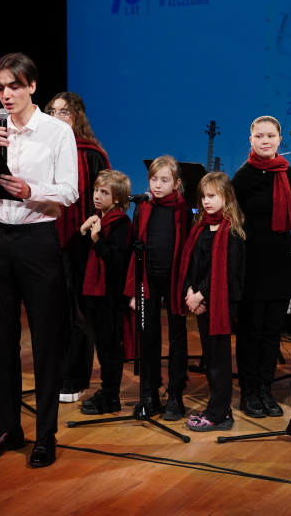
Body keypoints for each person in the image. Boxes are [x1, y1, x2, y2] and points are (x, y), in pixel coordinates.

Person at [0, 52, 77, 468]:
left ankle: (45, 434)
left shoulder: (56, 132)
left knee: (46, 340)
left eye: (14, 86)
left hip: (37, 239)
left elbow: (69, 191)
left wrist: (30, 190)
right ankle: (6, 428)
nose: (6, 94)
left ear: (32, 86)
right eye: (0, 88)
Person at [46, 91, 111, 403]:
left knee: (78, 313)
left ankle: (75, 377)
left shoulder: (90, 153)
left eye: (64, 112)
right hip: (46, 239)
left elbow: (105, 200)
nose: (57, 117)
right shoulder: (43, 150)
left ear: (77, 117)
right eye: (53, 112)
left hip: (81, 243)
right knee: (53, 312)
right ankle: (56, 373)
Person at [232, 115, 291, 419]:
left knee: (272, 332)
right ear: (251, 140)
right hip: (252, 265)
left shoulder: (289, 174)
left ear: (280, 140)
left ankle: (265, 389)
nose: (265, 141)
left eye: (271, 136)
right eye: (259, 136)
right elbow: (234, 225)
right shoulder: (242, 177)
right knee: (251, 332)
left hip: (280, 262)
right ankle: (249, 392)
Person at [125, 155, 192, 421]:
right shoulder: (143, 207)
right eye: (154, 179)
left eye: (164, 180)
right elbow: (135, 250)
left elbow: (187, 249)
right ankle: (150, 391)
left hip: (174, 280)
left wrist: (188, 286)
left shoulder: (183, 209)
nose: (157, 185)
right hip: (148, 280)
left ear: (176, 183)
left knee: (177, 337)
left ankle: (175, 393)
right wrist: (134, 288)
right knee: (148, 335)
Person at [178, 172, 246, 432]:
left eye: (212, 196)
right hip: (201, 301)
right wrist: (189, 291)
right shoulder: (199, 229)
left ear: (226, 197)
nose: (206, 201)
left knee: (218, 360)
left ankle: (220, 414)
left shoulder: (232, 231)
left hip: (220, 304)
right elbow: (188, 264)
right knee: (210, 358)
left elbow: (226, 272)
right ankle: (218, 409)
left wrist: (200, 295)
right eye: (204, 196)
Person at [78, 169, 132, 415]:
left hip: (110, 296)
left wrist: (97, 239)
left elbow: (117, 262)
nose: (97, 196)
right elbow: (84, 257)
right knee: (102, 347)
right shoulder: (98, 219)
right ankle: (106, 392)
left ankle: (111, 397)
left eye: (104, 192)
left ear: (117, 198)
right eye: (96, 191)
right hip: (95, 295)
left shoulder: (121, 223)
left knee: (110, 349)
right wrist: (84, 231)